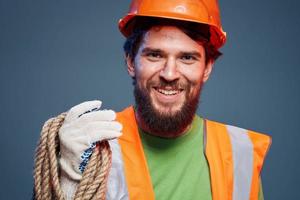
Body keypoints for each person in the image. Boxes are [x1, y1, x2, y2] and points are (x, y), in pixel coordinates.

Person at [55, 0, 272, 200]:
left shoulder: (239, 154)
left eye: (187, 58)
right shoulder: (93, 148)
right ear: (131, 61)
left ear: (206, 68)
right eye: (155, 55)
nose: (169, 74)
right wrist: (65, 183)